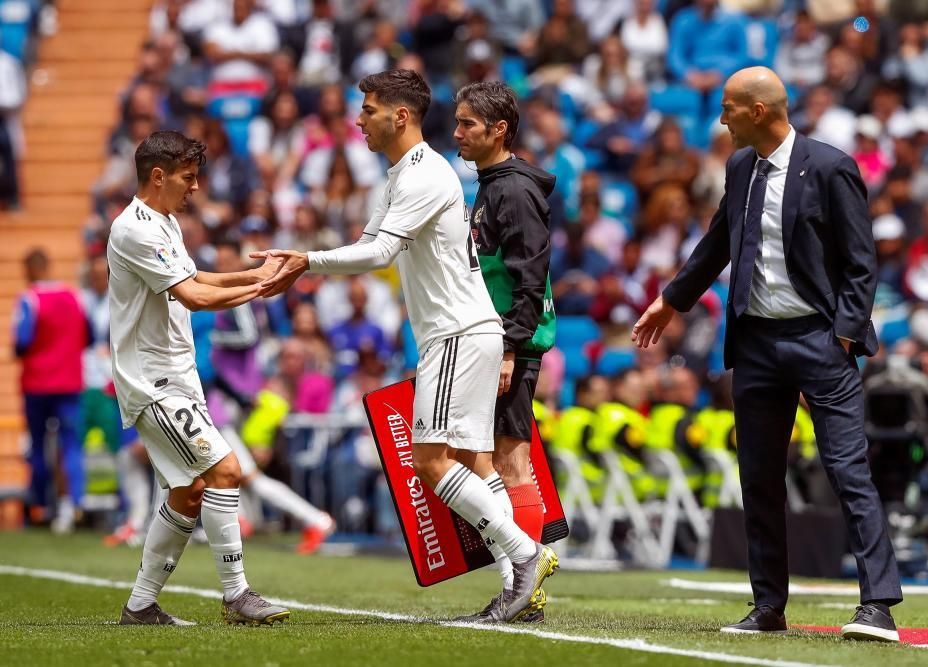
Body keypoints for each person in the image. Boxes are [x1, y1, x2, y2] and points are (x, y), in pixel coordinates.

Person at [252, 69, 558, 623]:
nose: (358, 119)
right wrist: (302, 258)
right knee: (472, 462)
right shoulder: (403, 174)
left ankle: (524, 553)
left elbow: (378, 255)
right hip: (465, 331)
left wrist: (305, 262)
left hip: (458, 333)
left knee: (432, 463)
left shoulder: (423, 175)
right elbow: (370, 243)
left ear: (400, 116)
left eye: (367, 109)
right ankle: (517, 586)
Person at [632, 67, 903, 641]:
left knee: (847, 470)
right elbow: (717, 243)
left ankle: (877, 605)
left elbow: (861, 262)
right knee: (757, 477)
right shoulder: (738, 167)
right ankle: (768, 607)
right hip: (755, 342)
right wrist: (670, 301)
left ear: (758, 111)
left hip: (820, 341)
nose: (720, 118)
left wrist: (845, 336)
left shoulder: (831, 167)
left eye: (728, 107)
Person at [108, 130, 289, 626]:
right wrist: (264, 289)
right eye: (189, 178)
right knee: (226, 472)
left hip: (176, 377)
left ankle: (140, 606)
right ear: (159, 176)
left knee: (187, 492)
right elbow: (194, 297)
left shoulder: (164, 222)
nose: (195, 188)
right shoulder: (135, 230)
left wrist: (259, 275)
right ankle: (237, 595)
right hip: (153, 381)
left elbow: (202, 279)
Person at [452, 81, 557, 622]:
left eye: (468, 123)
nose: (457, 133)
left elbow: (529, 275)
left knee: (510, 462)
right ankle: (525, 581)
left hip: (509, 343)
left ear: (499, 130)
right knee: (490, 458)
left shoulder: (512, 191)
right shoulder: (494, 184)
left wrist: (512, 349)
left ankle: (526, 588)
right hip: (496, 340)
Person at [13, 249, 90, 533]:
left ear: (31, 270)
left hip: (37, 384)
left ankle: (41, 505)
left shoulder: (29, 300)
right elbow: (90, 334)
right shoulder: (74, 297)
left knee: (38, 444)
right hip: (70, 382)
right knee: (71, 444)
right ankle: (74, 504)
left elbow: (21, 340)